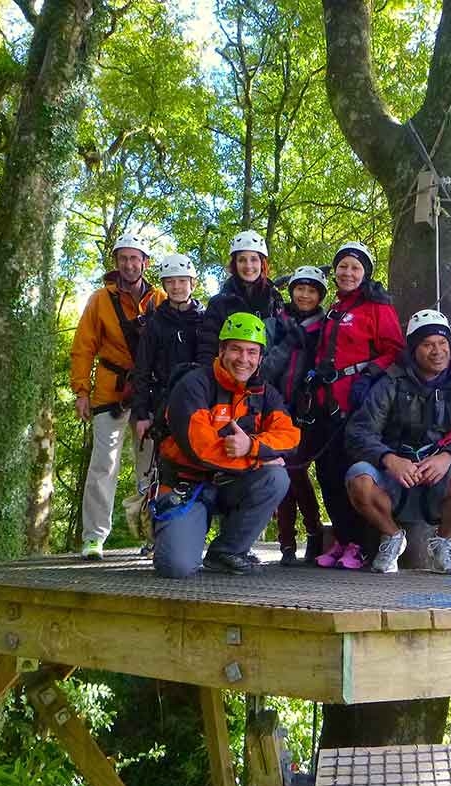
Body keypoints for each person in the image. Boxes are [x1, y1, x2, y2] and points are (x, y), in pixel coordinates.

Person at [151, 313, 299, 578]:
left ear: (261, 357)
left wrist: (252, 446)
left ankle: (227, 551)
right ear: (221, 350)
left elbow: (290, 436)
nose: (244, 359)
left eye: (252, 352)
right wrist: (256, 458)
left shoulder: (264, 393)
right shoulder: (194, 385)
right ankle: (178, 532)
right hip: (187, 486)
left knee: (276, 478)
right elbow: (201, 449)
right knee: (177, 567)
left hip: (231, 486)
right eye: (236, 350)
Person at [345, 310, 451, 574]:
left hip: (438, 476)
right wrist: (389, 459)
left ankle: (443, 540)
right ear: (413, 348)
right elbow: (359, 432)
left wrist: (447, 458)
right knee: (358, 479)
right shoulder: (390, 382)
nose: (438, 351)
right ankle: (392, 536)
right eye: (428, 344)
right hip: (394, 477)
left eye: (442, 343)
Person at [309, 241, 405, 569]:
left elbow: (395, 350)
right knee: (328, 473)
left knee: (354, 472)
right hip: (327, 401)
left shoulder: (376, 307)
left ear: (365, 273)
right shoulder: (335, 308)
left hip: (357, 403)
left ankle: (362, 544)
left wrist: (371, 375)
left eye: (355, 267)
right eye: (343, 266)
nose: (348, 273)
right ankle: (343, 539)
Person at [70, 231, 166, 560]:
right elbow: (83, 347)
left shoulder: (159, 300)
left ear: (145, 263)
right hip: (110, 390)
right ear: (116, 262)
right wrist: (81, 390)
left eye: (134, 258)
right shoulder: (100, 299)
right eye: (123, 258)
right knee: (103, 465)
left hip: (148, 393)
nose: (129, 264)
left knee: (150, 466)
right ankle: (94, 537)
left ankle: (152, 535)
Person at [261, 266, 329, 565]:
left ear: (319, 296)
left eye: (312, 290)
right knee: (281, 471)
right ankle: (287, 542)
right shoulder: (276, 325)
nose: (304, 295)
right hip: (275, 408)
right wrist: (288, 342)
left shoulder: (325, 327)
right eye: (300, 289)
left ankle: (313, 533)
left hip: (307, 411)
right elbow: (263, 369)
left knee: (296, 471)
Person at [132, 253, 204, 444]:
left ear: (192, 284)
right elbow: (142, 369)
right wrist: (141, 415)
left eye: (182, 280)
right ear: (164, 286)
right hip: (163, 402)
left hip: (200, 403)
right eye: (170, 282)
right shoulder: (155, 323)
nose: (177, 287)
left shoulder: (205, 320)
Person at [196, 230, 284, 363]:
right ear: (235, 264)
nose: (248, 266)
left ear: (262, 263)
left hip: (265, 375)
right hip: (228, 374)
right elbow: (207, 346)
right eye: (242, 260)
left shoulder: (274, 299)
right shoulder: (220, 303)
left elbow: (282, 343)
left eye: (254, 259)